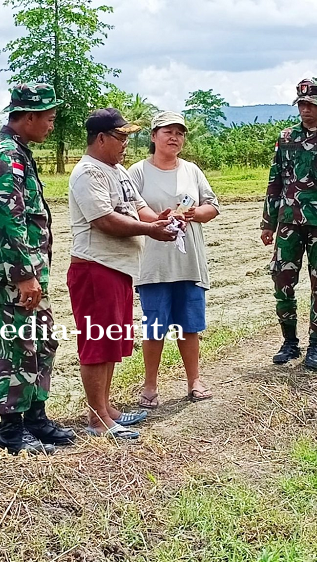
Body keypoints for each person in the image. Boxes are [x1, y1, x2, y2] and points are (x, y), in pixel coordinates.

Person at [67, 108, 180, 440]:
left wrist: (159, 220)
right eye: (121, 137)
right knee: (97, 342)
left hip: (117, 269)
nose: (126, 144)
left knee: (112, 340)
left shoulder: (116, 170)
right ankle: (98, 419)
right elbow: (105, 220)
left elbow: (137, 206)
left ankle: (103, 408)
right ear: (101, 138)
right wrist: (149, 229)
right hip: (95, 268)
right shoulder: (89, 173)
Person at [0, 83, 76, 455]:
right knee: (18, 346)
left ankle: (36, 418)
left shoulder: (18, 151)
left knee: (42, 340)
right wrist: (24, 274)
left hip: (30, 267)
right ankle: (12, 432)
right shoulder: (5, 154)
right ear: (29, 117)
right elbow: (9, 218)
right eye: (48, 119)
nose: (51, 126)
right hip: (16, 271)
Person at [128, 111, 220, 408]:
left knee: (189, 325)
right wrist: (158, 220)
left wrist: (193, 215)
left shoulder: (191, 170)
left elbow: (212, 207)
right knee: (155, 326)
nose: (174, 137)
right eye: (167, 131)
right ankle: (150, 386)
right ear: (153, 136)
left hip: (188, 262)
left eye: (179, 133)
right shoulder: (138, 171)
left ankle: (194, 380)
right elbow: (132, 207)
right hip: (153, 264)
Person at [260, 78, 317, 371]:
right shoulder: (286, 137)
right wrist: (268, 222)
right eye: (302, 104)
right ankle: (289, 342)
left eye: (311, 105)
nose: (306, 109)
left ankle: (316, 346)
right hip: (289, 222)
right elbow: (275, 180)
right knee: (282, 281)